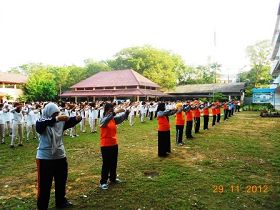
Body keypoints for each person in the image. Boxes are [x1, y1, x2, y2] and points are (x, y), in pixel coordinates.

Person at [36, 102, 82, 210]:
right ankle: (42, 206)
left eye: (57, 113)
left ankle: (61, 201)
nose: (56, 115)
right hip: (45, 158)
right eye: (54, 114)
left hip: (60, 157)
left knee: (61, 181)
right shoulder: (42, 121)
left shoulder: (61, 122)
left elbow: (72, 120)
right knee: (44, 185)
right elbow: (39, 127)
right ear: (48, 113)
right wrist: (57, 119)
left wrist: (78, 118)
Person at [99, 102, 129, 190]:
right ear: (107, 110)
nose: (111, 112)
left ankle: (113, 178)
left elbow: (120, 118)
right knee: (106, 164)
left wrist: (126, 113)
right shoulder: (103, 119)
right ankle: (103, 182)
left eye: (112, 110)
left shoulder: (113, 119)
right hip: (105, 145)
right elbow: (105, 121)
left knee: (113, 162)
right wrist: (115, 112)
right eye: (110, 110)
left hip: (114, 143)